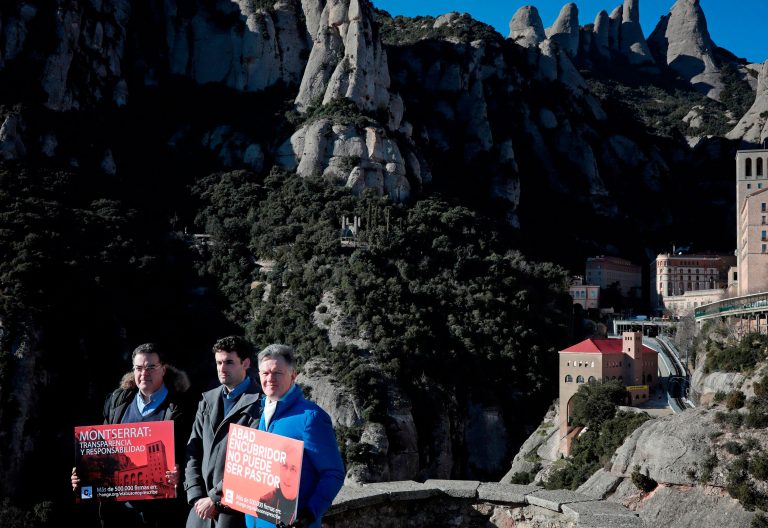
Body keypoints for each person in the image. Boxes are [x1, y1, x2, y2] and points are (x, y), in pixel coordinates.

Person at [71, 342, 192, 527]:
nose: (144, 373)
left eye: (151, 367)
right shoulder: (118, 402)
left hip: (161, 514)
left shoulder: (182, 407)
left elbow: (195, 456)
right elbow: (102, 450)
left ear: (163, 369)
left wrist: (180, 475)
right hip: (119, 514)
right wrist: (84, 474)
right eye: (139, 368)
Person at [245, 344, 344, 528]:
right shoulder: (259, 412)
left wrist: (310, 512)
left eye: (278, 373)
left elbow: (333, 472)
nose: (270, 379)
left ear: (293, 375)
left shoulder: (310, 417)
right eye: (265, 373)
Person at [185, 335, 262, 528]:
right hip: (200, 511)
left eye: (229, 362)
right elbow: (193, 451)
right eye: (219, 362)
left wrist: (215, 499)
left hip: (234, 513)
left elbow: (251, 464)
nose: (222, 368)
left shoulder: (259, 405)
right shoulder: (207, 400)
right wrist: (195, 494)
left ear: (245, 363)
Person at [254, 442, 302, 526]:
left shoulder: (305, 503)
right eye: (284, 466)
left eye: (293, 469)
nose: (287, 476)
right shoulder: (265, 502)